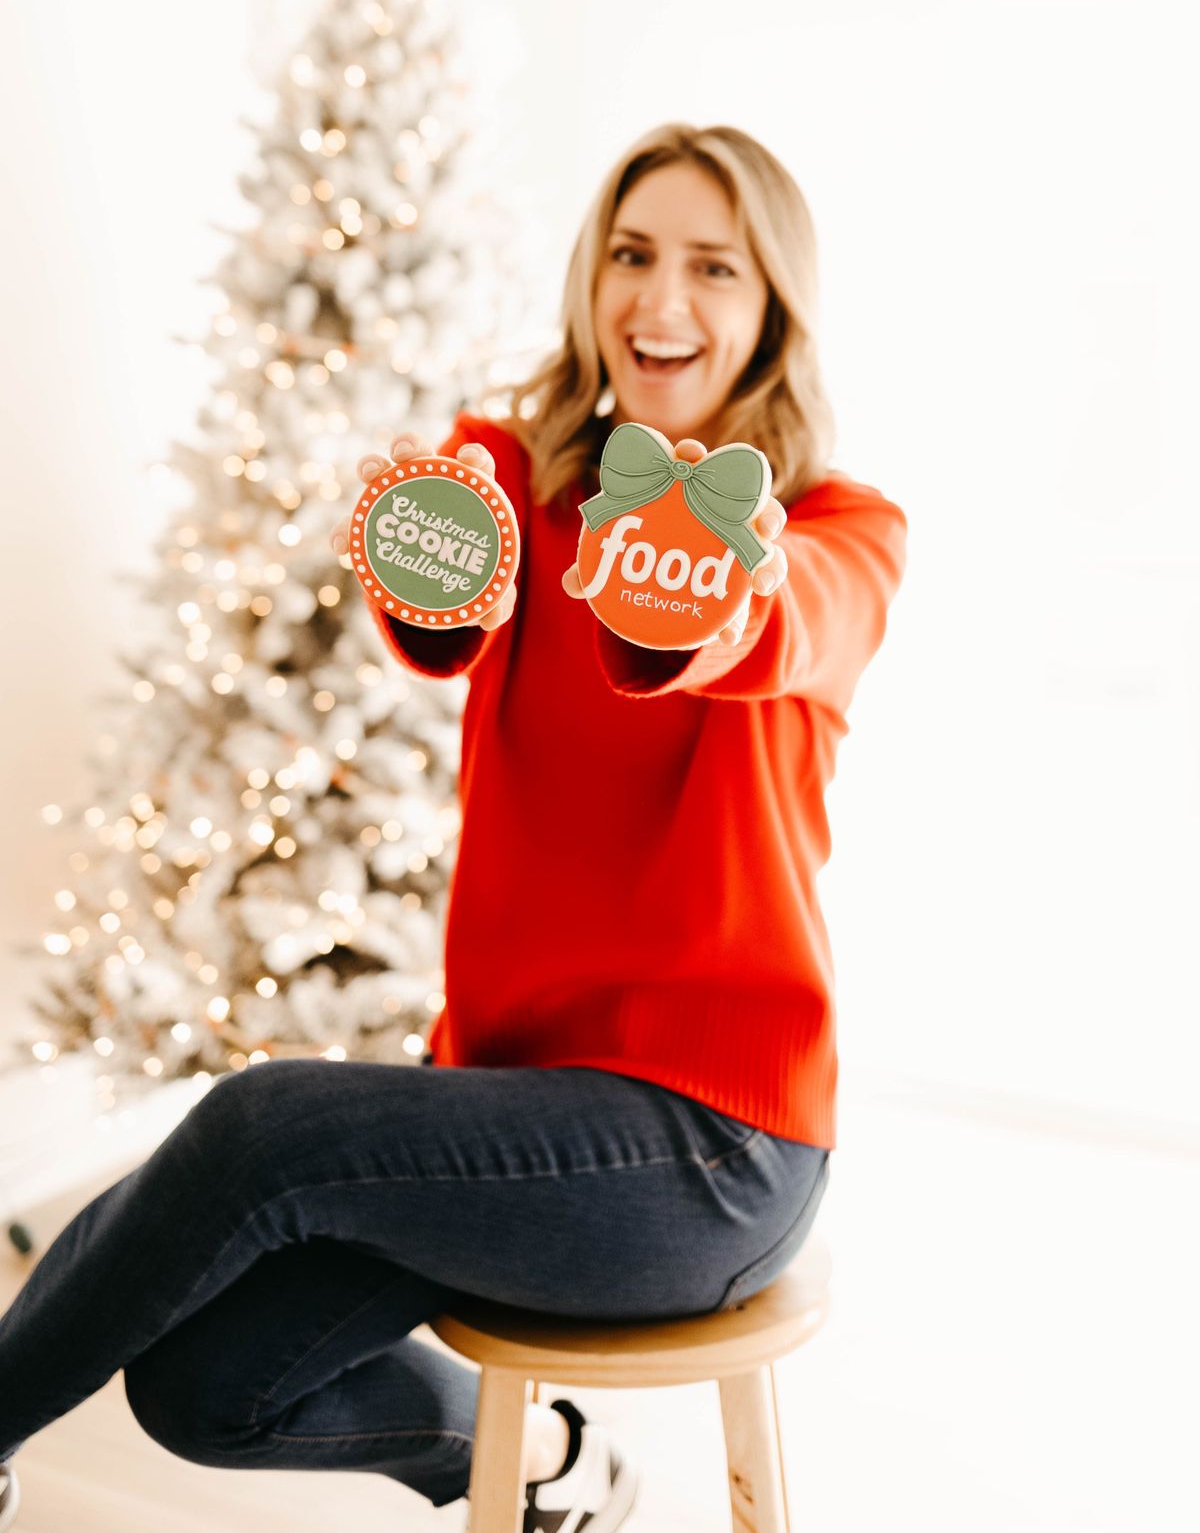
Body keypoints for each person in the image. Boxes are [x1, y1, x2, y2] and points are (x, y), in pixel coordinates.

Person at [0, 123, 906, 1531]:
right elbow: (448, 586)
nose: (659, 301)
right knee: (206, 1387)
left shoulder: (837, 525)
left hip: (710, 1152)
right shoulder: (517, 475)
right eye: (632, 254)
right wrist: (450, 575)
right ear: (589, 276)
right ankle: (556, 1470)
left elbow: (792, 614)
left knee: (261, 1126)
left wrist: (716, 598)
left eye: (712, 268)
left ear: (772, 303)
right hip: (510, 1097)